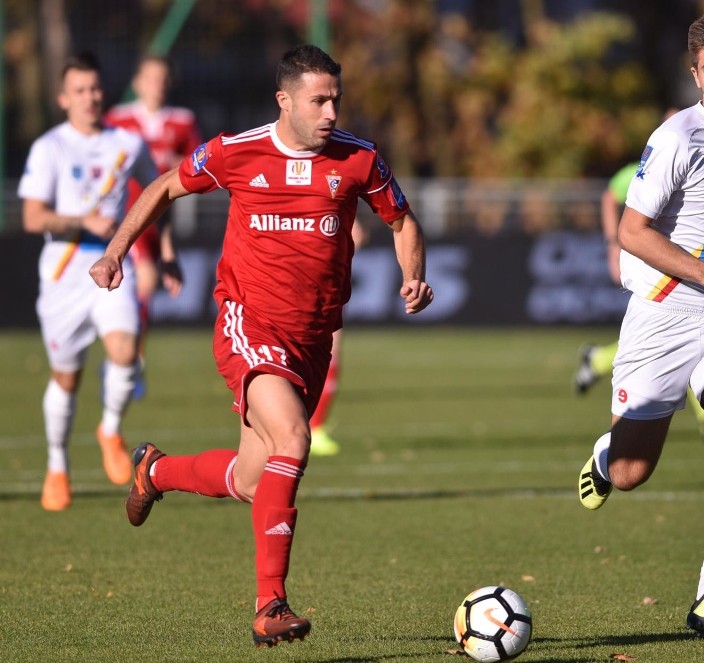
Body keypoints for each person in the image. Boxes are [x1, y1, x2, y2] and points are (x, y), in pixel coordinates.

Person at [89, 44, 434, 647]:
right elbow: (165, 185)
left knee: (253, 480)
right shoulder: (237, 151)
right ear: (285, 100)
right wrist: (118, 249)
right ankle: (270, 603)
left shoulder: (359, 159)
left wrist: (413, 273)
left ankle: (156, 470)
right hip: (250, 325)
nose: (330, 112)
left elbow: (401, 221)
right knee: (294, 439)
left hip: (314, 336)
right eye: (317, 100)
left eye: (336, 100)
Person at [576, 13, 704, 634]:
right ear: (695, 73)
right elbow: (632, 231)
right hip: (665, 313)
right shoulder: (677, 137)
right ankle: (606, 450)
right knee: (631, 474)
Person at [17, 51, 162, 511]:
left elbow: (159, 194)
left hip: (113, 265)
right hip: (63, 272)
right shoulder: (49, 148)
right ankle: (58, 465)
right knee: (67, 377)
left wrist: (168, 254)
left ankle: (109, 429)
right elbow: (31, 216)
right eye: (79, 90)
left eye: (95, 88)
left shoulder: (129, 143)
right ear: (63, 98)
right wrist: (83, 220)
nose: (90, 97)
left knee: (124, 351)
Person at [574, 133, 704, 446]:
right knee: (668, 338)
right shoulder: (654, 162)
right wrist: (613, 244)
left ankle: (597, 360)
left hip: (688, 266)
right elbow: (611, 197)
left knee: (694, 337)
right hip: (658, 269)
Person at [104, 54, 200, 396]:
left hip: (159, 218)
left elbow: (191, 170)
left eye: (162, 77)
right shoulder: (118, 120)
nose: (156, 84)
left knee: (142, 285)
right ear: (137, 83)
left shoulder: (182, 121)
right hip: (124, 217)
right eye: (150, 77)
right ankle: (130, 362)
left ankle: (126, 360)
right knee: (143, 280)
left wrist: (169, 247)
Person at [308, 217, 368, 456]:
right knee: (327, 354)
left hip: (317, 282)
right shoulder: (328, 191)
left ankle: (311, 426)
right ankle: (314, 427)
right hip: (320, 285)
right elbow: (357, 236)